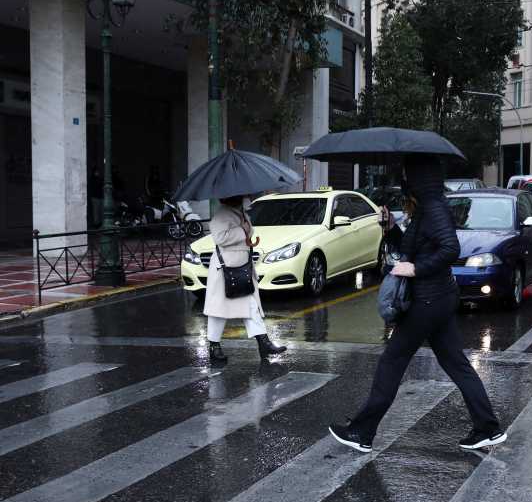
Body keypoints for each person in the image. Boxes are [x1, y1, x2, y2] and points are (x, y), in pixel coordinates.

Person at [329, 155, 506, 453]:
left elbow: (451, 248)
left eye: (408, 175)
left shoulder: (434, 208)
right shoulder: (427, 208)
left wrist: (416, 269)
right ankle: (487, 427)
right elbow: (412, 248)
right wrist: (391, 228)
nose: (404, 180)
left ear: (419, 178)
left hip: (427, 299)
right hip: (437, 298)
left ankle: (362, 432)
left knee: (392, 362)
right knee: (456, 364)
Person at [204, 195, 286, 363]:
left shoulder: (239, 212)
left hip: (241, 267)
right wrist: (241, 230)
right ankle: (214, 346)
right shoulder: (221, 215)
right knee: (218, 311)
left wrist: (246, 232)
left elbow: (246, 231)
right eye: (241, 196)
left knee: (251, 306)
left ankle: (264, 342)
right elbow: (220, 238)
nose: (244, 198)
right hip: (225, 269)